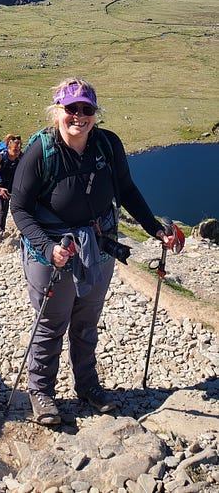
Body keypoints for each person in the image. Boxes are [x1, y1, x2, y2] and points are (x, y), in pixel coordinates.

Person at [10, 76, 183, 425]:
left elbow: (128, 191)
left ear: (95, 113)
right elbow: (20, 207)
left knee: (87, 323)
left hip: (98, 251)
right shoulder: (41, 152)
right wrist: (47, 247)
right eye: (71, 108)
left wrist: (154, 229)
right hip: (53, 253)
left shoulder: (107, 145)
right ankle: (41, 392)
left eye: (86, 109)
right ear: (58, 111)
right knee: (51, 323)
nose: (79, 116)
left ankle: (87, 387)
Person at [0, 134, 23, 233]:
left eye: (19, 150)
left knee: (20, 206)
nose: (18, 152)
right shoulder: (2, 157)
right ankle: (1, 230)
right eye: (15, 150)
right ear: (9, 148)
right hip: (1, 185)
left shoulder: (20, 156)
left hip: (13, 184)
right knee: (4, 209)